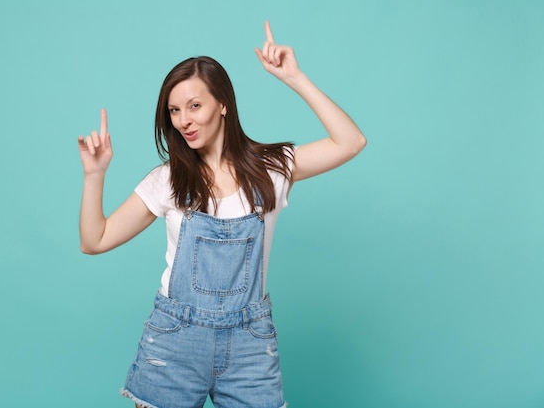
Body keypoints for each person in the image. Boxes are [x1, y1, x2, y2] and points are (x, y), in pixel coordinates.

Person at [77, 21, 366, 408]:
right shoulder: (167, 180)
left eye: (195, 106)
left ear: (223, 104)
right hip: (174, 343)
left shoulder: (272, 168)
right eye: (175, 110)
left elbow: (351, 142)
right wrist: (94, 175)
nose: (184, 120)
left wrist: (294, 78)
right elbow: (94, 241)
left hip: (250, 344)